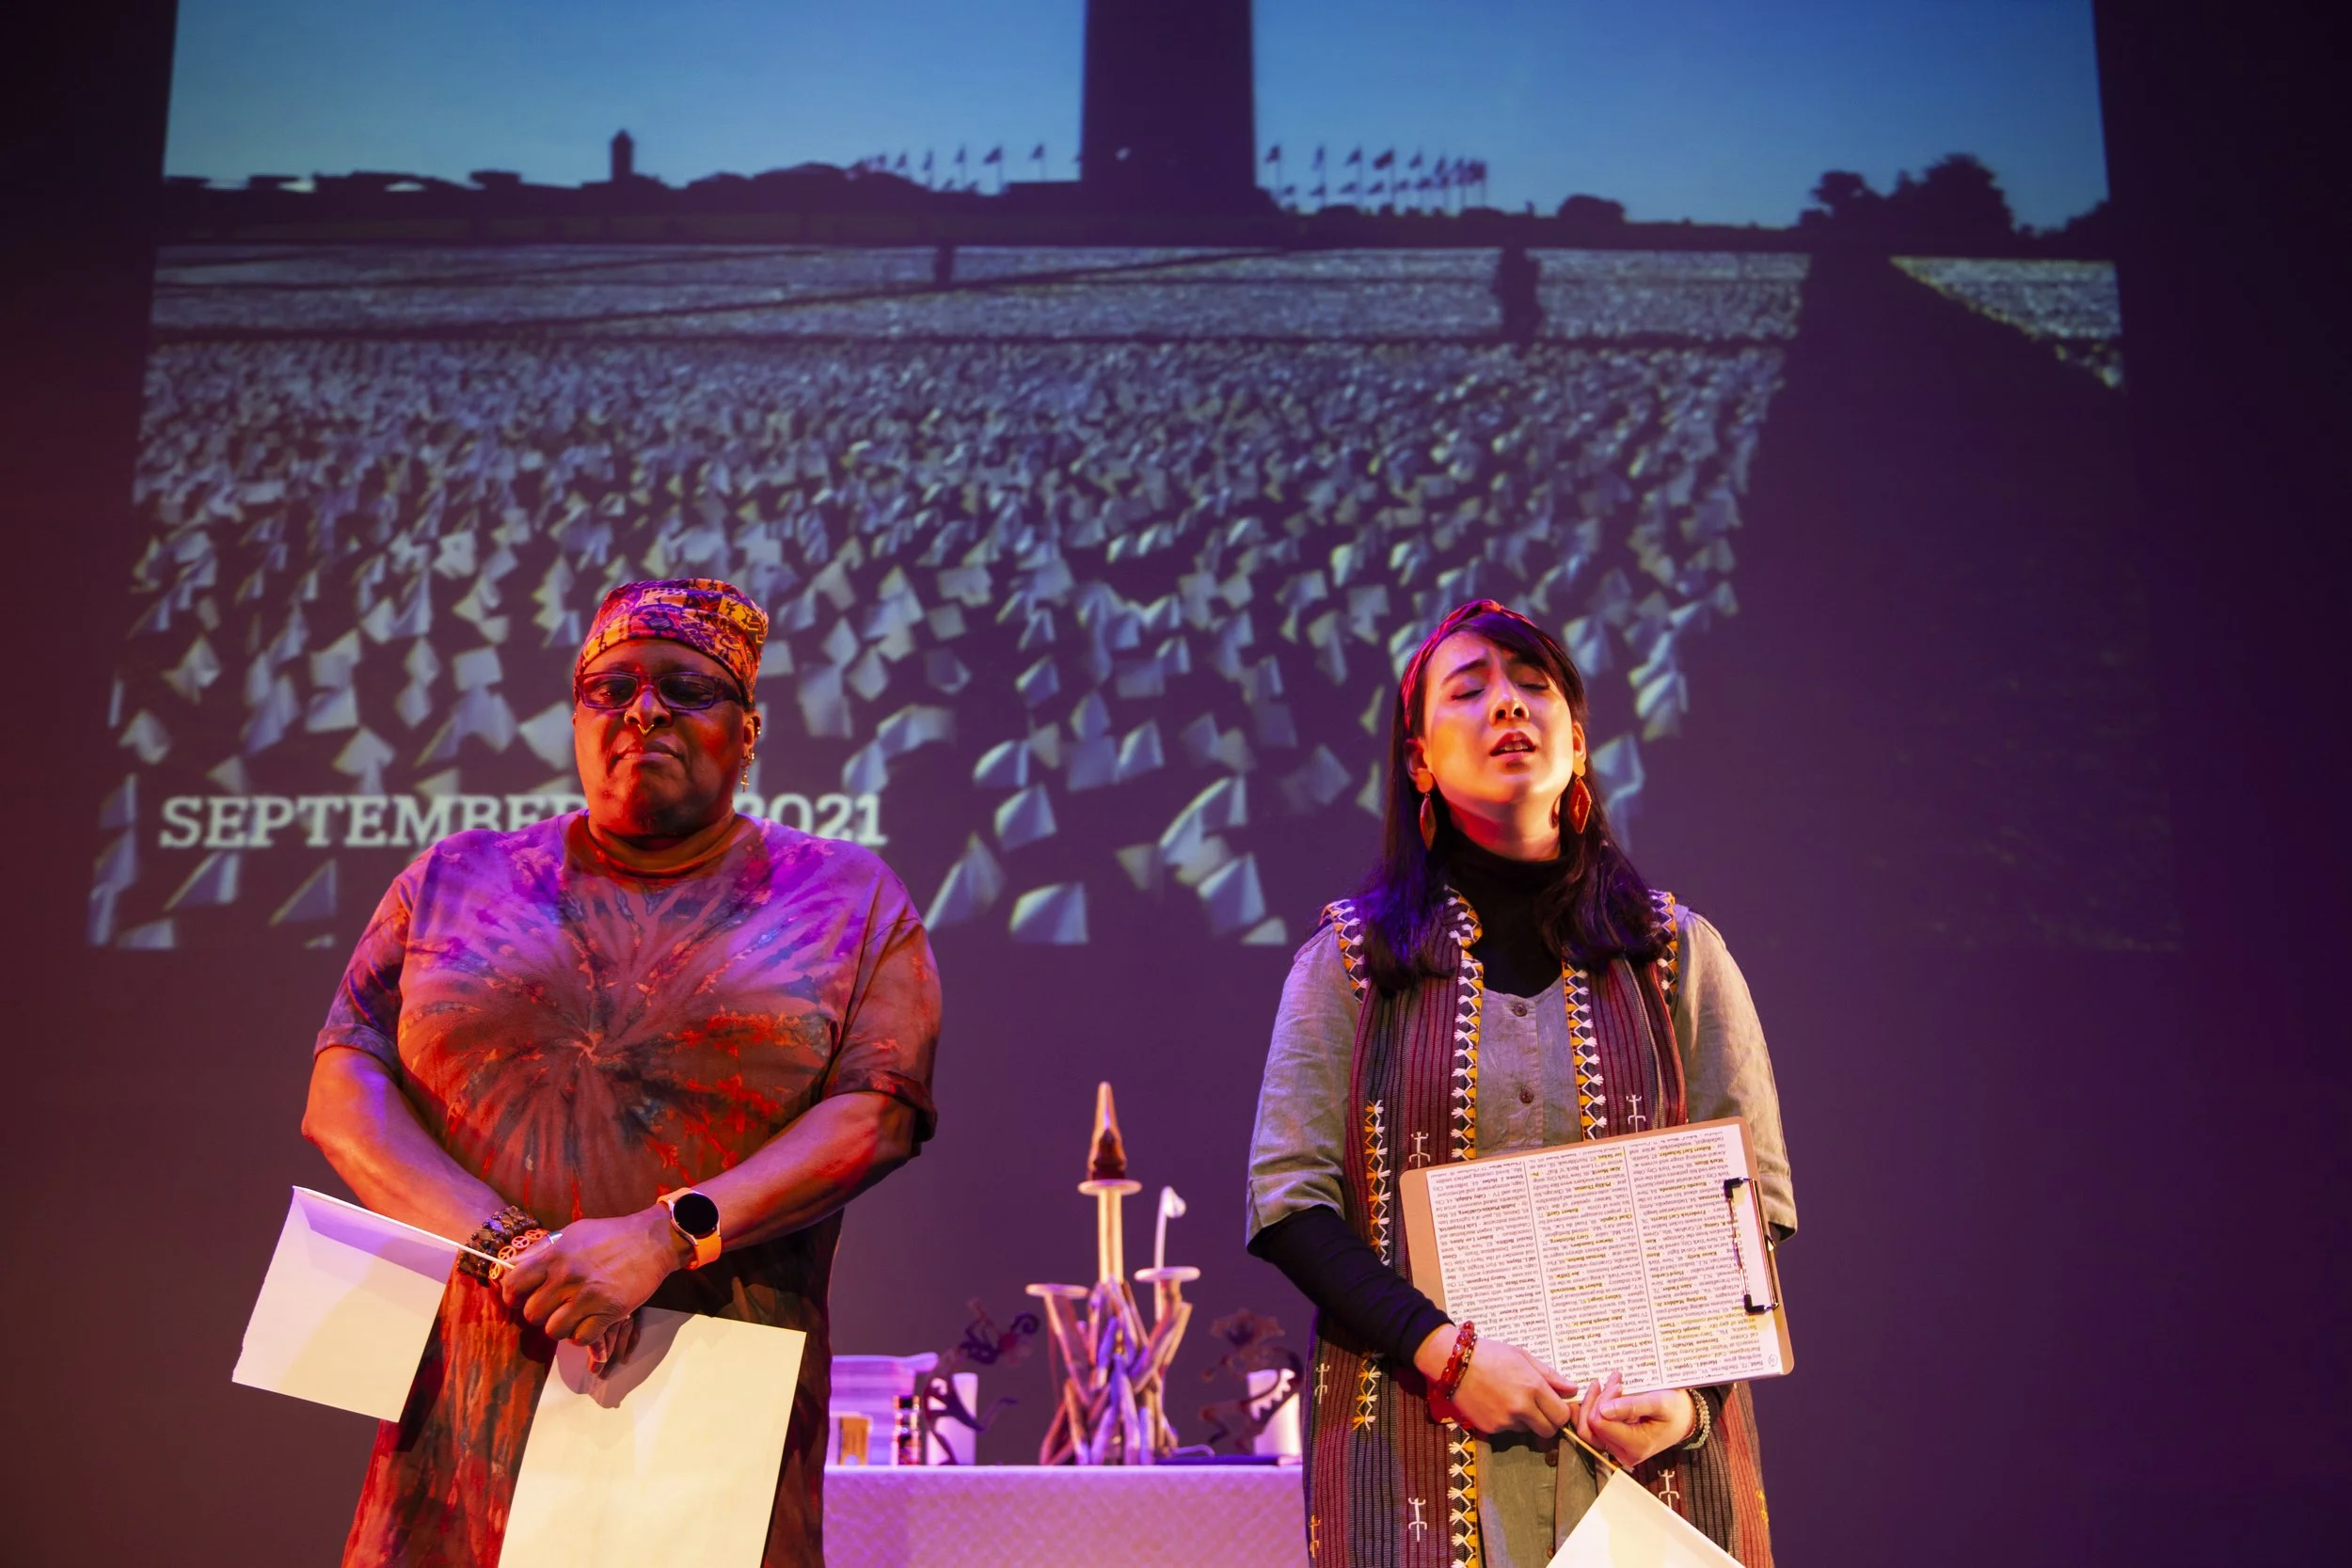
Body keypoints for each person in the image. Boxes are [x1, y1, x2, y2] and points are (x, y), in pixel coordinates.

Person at [302, 578, 941, 1568]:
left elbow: (879, 1113)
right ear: (575, 717)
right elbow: (344, 1083)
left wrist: (661, 1236)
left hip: (706, 1396)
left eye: (687, 687)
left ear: (750, 729)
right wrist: (509, 1247)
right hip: (457, 1404)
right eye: (612, 687)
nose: (644, 709)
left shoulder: (845, 895)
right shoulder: (450, 879)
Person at [1246, 599, 1795, 1568]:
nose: (1508, 706)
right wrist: (1443, 1351)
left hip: (1652, 1464)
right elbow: (1291, 1206)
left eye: (1533, 685)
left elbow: (1745, 1208)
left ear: (1576, 743)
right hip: (1416, 1456)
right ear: (1418, 757)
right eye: (1470, 689)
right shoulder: (1347, 963)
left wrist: (1692, 1393)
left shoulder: (1676, 954)